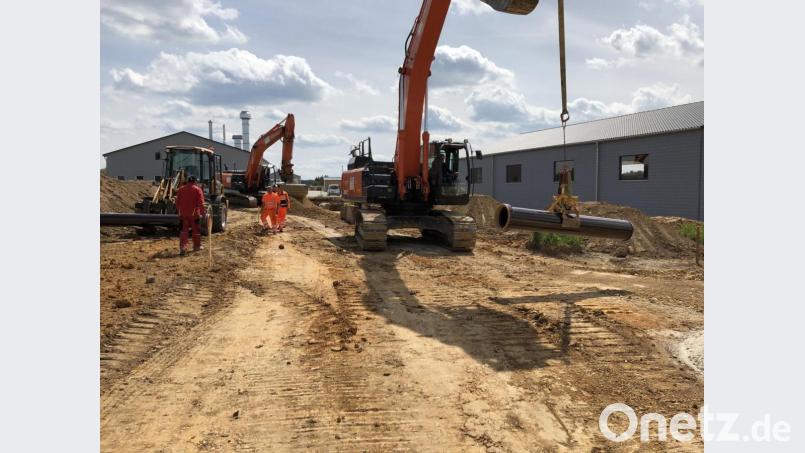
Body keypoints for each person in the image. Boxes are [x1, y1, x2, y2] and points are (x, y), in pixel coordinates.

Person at [175, 175, 206, 255]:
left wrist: (179, 211)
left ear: (188, 181)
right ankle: (196, 246)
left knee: (184, 231)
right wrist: (203, 213)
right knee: (196, 231)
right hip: (194, 215)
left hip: (183, 214)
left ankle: (183, 247)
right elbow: (201, 203)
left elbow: (177, 202)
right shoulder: (197, 189)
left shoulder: (181, 189)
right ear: (195, 181)